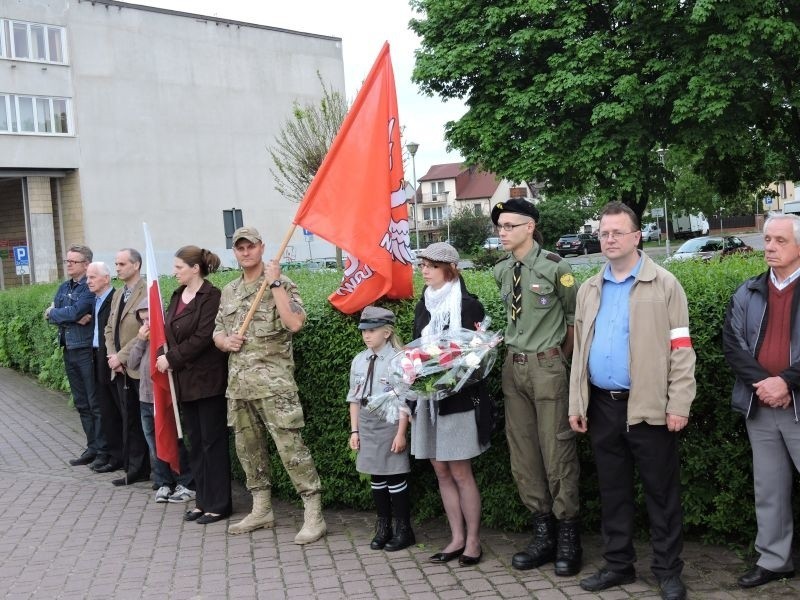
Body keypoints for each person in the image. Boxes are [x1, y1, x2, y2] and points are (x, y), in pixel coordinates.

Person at [568, 202, 695, 600]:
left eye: (617, 233)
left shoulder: (665, 284)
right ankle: (619, 565)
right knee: (613, 491)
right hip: (602, 407)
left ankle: (668, 572)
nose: (609, 239)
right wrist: (577, 402)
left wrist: (679, 404)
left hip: (650, 407)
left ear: (637, 237)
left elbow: (682, 350)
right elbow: (579, 352)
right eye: (604, 233)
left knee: (661, 494)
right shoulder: (589, 289)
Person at [213, 226, 326, 544]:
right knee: (248, 450)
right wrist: (225, 341)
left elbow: (295, 323)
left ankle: (313, 511)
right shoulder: (229, 291)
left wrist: (274, 282)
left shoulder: (282, 283)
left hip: (274, 384)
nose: (245, 252)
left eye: (250, 246)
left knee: (291, 449)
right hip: (239, 385)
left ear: (262, 248)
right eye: (240, 248)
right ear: (234, 252)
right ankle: (261, 508)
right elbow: (217, 332)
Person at [491, 199, 582, 575]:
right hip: (514, 367)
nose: (502, 231)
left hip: (547, 366)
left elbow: (574, 318)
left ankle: (568, 536)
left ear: (530, 227)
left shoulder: (557, 268)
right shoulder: (501, 271)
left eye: (510, 225)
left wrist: (558, 360)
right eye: (500, 226)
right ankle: (542, 532)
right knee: (524, 454)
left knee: (557, 448)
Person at [723, 213, 800, 589]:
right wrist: (766, 385)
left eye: (780, 241)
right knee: (769, 487)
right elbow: (733, 345)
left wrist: (787, 382)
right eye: (767, 239)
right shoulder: (749, 291)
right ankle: (775, 560)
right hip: (762, 405)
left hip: (797, 403)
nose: (769, 247)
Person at [411, 242, 492, 567]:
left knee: (459, 470)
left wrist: (452, 374)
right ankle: (456, 537)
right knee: (440, 469)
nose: (424, 270)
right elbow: (417, 348)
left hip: (458, 400)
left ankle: (473, 541)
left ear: (450, 269)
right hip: (428, 399)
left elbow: (480, 356)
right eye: (423, 265)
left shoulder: (469, 306)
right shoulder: (424, 304)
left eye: (430, 265)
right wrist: (414, 369)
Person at [156, 246, 232, 525]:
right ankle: (202, 501)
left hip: (208, 381)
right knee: (196, 444)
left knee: (213, 442)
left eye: (178, 268)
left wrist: (172, 359)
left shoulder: (211, 296)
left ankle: (219, 503)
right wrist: (163, 356)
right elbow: (168, 332)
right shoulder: (177, 296)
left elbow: (203, 337)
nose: (174, 273)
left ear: (195, 268)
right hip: (183, 383)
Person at [347, 306, 413, 551]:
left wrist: (400, 433)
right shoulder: (359, 359)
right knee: (376, 476)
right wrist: (355, 431)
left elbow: (405, 399)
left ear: (386, 333)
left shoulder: (399, 358)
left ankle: (403, 529)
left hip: (391, 421)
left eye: (372, 330)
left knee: (395, 474)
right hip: (367, 421)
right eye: (364, 330)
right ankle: (383, 526)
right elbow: (353, 397)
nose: (366, 335)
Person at [127, 299, 195, 505]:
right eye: (143, 320)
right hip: (145, 399)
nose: (147, 324)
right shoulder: (143, 338)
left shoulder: (165, 338)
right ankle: (164, 481)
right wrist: (139, 340)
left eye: (150, 318)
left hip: (164, 398)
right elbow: (132, 363)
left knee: (173, 439)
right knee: (154, 443)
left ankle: (185, 481)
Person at [46, 244, 107, 467]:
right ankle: (91, 447)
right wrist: (61, 314)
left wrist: (60, 313)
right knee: (81, 403)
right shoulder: (64, 287)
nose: (68, 265)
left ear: (86, 264)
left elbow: (76, 311)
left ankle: (102, 450)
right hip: (68, 348)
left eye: (73, 261)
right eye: (67, 261)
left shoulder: (87, 288)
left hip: (84, 350)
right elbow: (51, 314)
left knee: (94, 402)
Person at [104, 248, 150, 486]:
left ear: (136, 265)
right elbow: (109, 328)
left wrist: (121, 357)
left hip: (137, 364)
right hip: (120, 366)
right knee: (129, 419)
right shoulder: (118, 293)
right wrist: (113, 356)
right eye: (116, 263)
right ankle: (135, 468)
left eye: (122, 264)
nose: (118, 268)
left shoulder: (147, 291)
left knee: (144, 421)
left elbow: (145, 330)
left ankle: (149, 467)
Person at [85, 261, 123, 473]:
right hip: (96, 355)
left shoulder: (113, 299)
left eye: (92, 277)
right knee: (104, 407)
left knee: (114, 408)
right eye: (88, 277)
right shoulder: (95, 300)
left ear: (106, 278)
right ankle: (109, 452)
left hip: (110, 356)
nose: (88, 281)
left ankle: (119, 455)